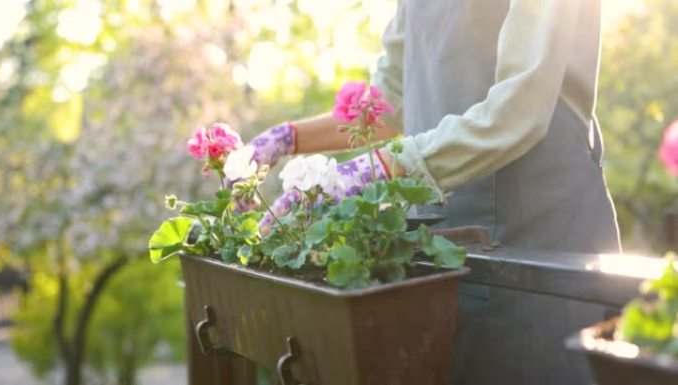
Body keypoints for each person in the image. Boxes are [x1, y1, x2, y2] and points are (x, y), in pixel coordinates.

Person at [246, 0, 621, 383]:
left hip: (543, 236)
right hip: (444, 241)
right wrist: (288, 138)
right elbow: (387, 104)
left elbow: (521, 106)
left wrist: (379, 168)